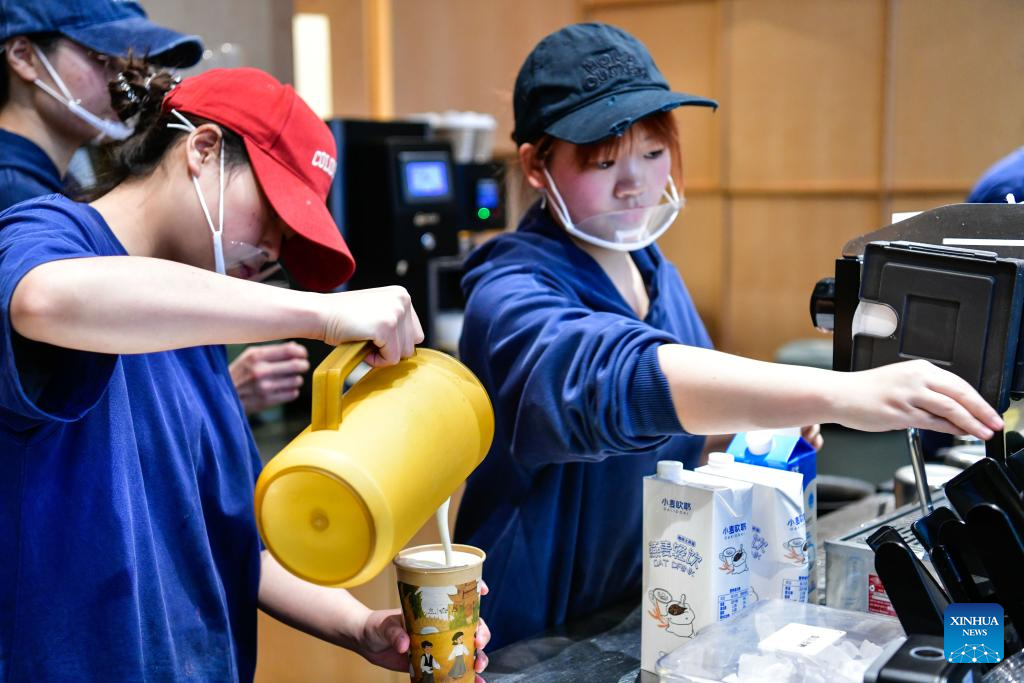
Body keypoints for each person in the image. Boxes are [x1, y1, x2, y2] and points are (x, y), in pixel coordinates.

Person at [453, 22, 1003, 649]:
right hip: (529, 634)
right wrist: (839, 392)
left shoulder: (652, 269)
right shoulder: (508, 289)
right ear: (535, 165)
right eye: (603, 161)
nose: (635, 183)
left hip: (642, 607)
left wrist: (753, 421)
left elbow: (670, 424)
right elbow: (608, 382)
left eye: (652, 154)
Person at [0, 66, 490, 680]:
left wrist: (360, 626)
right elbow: (42, 300)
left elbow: (239, 541)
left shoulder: (202, 327)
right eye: (274, 215)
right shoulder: (45, 234)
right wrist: (320, 313)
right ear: (203, 150)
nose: (275, 251)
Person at [0, 0, 308, 416]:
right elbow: (46, 311)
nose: (121, 79)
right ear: (23, 56)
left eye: (126, 63)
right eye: (102, 59)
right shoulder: (16, 193)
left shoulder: (63, 183)